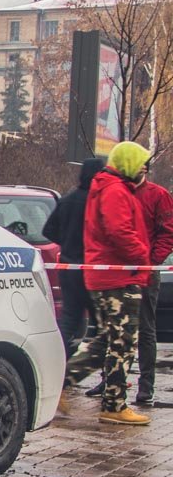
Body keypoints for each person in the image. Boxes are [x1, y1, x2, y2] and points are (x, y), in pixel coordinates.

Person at [60, 141, 153, 425]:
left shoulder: (111, 188)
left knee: (106, 340)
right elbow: (118, 230)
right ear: (128, 163)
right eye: (141, 165)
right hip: (117, 279)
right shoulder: (115, 190)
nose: (143, 170)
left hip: (110, 277)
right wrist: (141, 255)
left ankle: (62, 383)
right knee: (123, 343)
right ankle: (113, 405)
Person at [42, 157, 105, 358]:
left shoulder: (68, 200)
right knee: (102, 322)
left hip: (69, 267)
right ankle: (106, 374)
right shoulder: (98, 201)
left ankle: (56, 362)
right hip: (93, 268)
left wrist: (67, 242)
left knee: (69, 320)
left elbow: (48, 230)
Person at [131, 160, 173, 404]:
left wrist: (152, 261)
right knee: (117, 328)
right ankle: (111, 381)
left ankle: (145, 386)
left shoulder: (158, 195)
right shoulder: (122, 192)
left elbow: (168, 232)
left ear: (144, 169)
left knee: (146, 329)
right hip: (121, 271)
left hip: (146, 271)